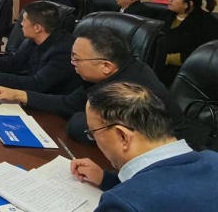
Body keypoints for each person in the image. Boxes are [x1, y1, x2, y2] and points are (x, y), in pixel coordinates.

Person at [0, 27, 185, 143]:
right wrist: (19, 95)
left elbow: (80, 126)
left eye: (76, 59)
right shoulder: (112, 71)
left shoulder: (130, 90)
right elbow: (70, 103)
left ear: (106, 66)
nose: (72, 63)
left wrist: (81, 115)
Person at [70, 82, 218, 212]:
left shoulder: (123, 203)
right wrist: (105, 179)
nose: (94, 138)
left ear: (123, 137)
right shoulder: (213, 158)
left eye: (92, 133)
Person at [0, 1, 79, 95]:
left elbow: (36, 84)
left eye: (24, 20)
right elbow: (14, 62)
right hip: (32, 97)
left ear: (37, 28)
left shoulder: (63, 50)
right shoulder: (34, 40)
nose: (21, 24)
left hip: (51, 108)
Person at [157, 0, 218, 86]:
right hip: (159, 63)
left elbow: (199, 54)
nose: (169, 0)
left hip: (184, 72)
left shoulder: (206, 23)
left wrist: (165, 58)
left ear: (188, 3)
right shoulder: (167, 14)